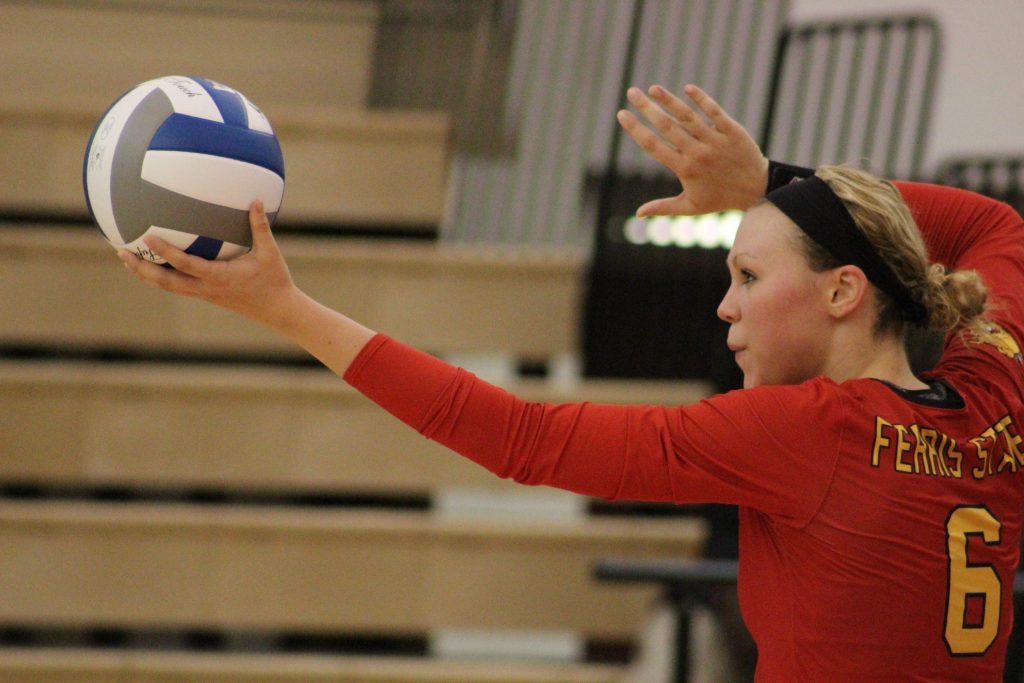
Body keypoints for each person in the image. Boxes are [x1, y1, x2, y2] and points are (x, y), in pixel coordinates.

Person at [119, 84, 1024, 682]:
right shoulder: (998, 386)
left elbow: (522, 438)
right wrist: (776, 191)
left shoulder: (807, 432)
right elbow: (996, 225)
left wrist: (284, 307)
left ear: (843, 290)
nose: (724, 309)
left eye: (747, 276)